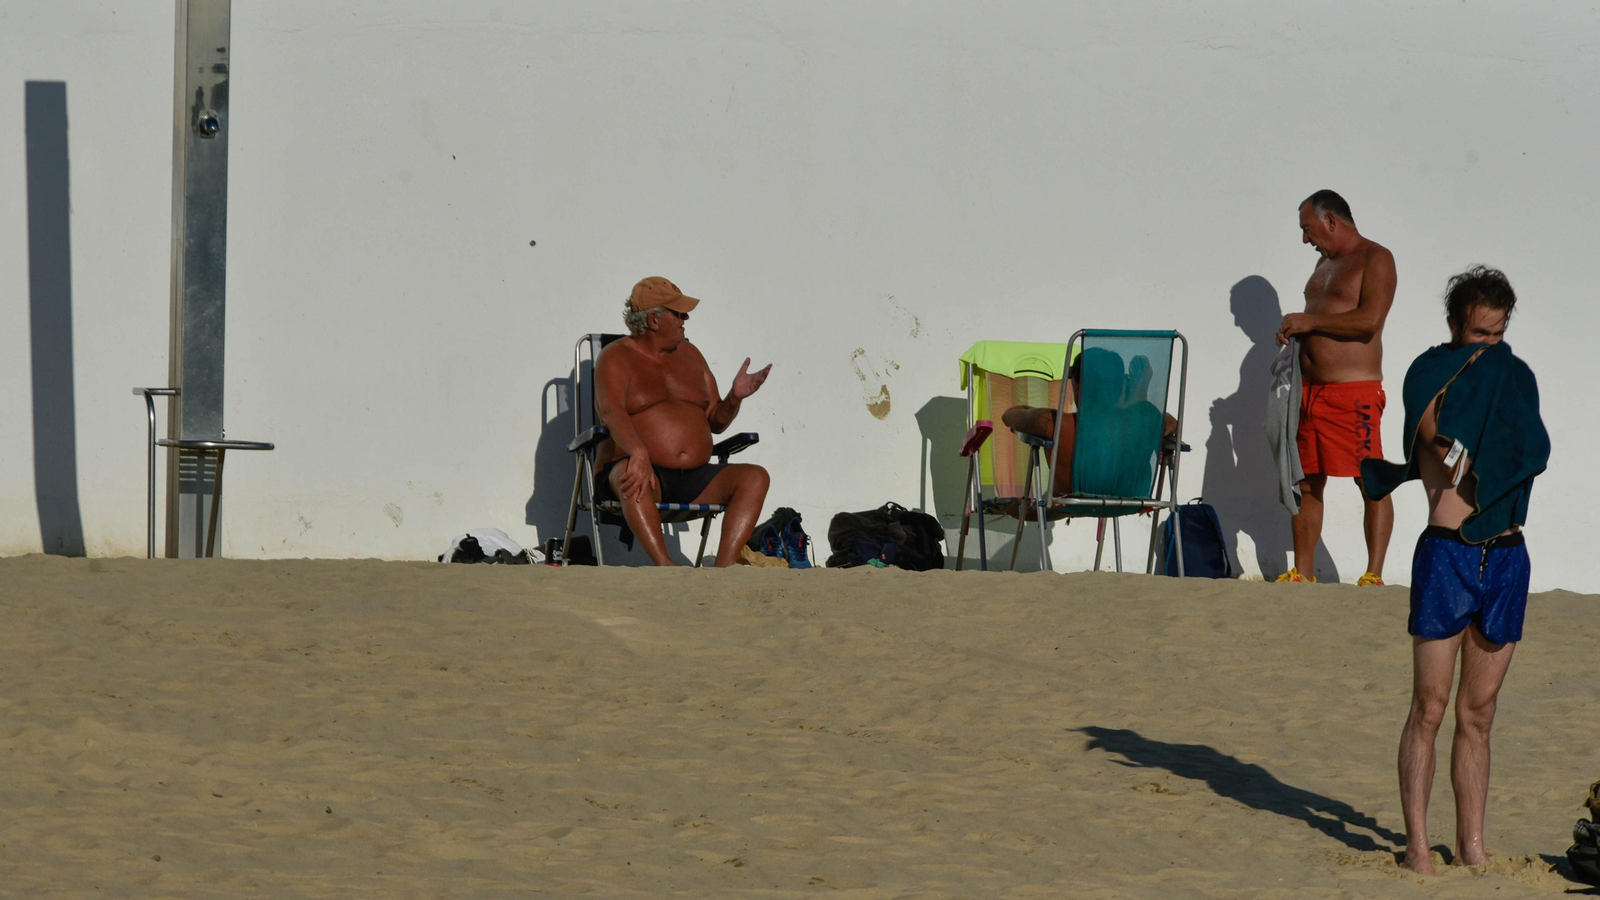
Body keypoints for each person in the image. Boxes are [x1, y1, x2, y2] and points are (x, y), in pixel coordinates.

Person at [1359, 266, 1549, 874]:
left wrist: (1497, 384)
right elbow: (1443, 443)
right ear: (1454, 326)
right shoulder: (1431, 375)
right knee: (1429, 707)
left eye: (1498, 336)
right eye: (1478, 335)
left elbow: (1524, 449)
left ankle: (1472, 843)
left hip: (1507, 556)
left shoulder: (1516, 382)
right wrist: (1473, 384)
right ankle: (1418, 845)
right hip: (1446, 551)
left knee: (1480, 713)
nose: (1490, 348)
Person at [592, 277, 772, 567]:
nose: (685, 319)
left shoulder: (691, 355)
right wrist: (638, 453)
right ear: (653, 319)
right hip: (645, 475)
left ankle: (722, 572)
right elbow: (610, 412)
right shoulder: (615, 357)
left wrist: (735, 397)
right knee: (631, 474)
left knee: (755, 477)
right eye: (678, 314)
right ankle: (667, 568)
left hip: (695, 477)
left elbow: (716, 422)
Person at [1275, 189, 1397, 585]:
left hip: (1353, 391)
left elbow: (1369, 320)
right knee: (1306, 479)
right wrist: (1294, 330)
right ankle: (1304, 572)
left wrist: (1308, 324)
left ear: (1331, 221)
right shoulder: (1321, 266)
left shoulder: (1376, 258)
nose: (1306, 239)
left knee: (1370, 479)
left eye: (1308, 229)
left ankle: (1373, 574)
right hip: (1309, 392)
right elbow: (1321, 316)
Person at [1001, 349, 1175, 496]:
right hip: (1129, 499)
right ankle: (1137, 394)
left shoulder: (1056, 422)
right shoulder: (1147, 418)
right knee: (1140, 420)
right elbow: (1172, 423)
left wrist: (1027, 407)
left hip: (1070, 501)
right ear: (1120, 386)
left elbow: (1009, 416)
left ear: (1077, 386)